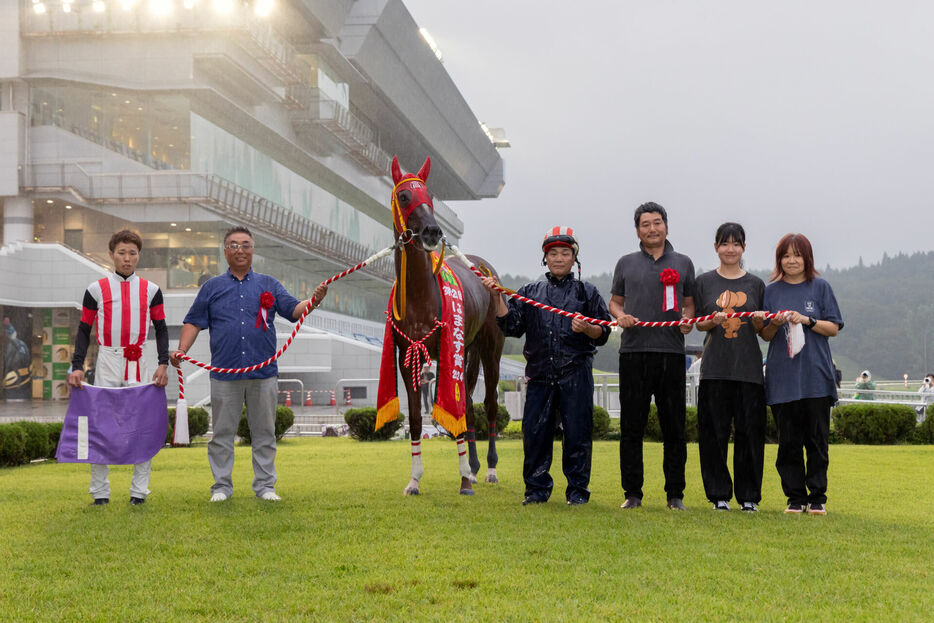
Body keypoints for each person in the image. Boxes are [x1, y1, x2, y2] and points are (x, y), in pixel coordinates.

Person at [170, 226, 328, 502]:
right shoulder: (212, 287)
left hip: (263, 374)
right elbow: (194, 322)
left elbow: (293, 310)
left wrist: (314, 301)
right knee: (221, 434)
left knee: (264, 433)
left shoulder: (269, 284)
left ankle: (265, 486)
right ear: (225, 251)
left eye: (245, 245)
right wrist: (182, 350)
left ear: (253, 250)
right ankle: (221, 487)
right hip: (224, 375)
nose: (240, 250)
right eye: (234, 245)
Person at [481, 226, 610, 506]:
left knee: (577, 434)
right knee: (535, 433)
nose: (559, 258)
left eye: (565, 253)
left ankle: (577, 491)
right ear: (545, 258)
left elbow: (604, 332)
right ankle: (536, 490)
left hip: (576, 373)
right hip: (540, 374)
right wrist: (495, 298)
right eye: (554, 253)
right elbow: (511, 325)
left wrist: (587, 328)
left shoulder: (587, 293)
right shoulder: (530, 292)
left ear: (574, 258)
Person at [66, 229, 169, 506]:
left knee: (142, 424)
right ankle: (100, 492)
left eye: (132, 253)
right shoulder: (96, 289)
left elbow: (160, 328)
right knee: (100, 424)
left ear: (139, 255)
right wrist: (76, 365)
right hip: (107, 360)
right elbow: (84, 330)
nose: (127, 258)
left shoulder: (151, 290)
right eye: (121, 253)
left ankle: (139, 491)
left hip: (140, 359)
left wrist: (163, 363)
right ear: (111, 254)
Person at [609, 202, 695, 510]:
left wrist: (687, 319)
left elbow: (688, 304)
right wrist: (621, 316)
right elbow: (615, 302)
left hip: (671, 354)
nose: (652, 229)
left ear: (667, 226)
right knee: (632, 427)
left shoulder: (684, 262)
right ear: (637, 231)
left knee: (674, 428)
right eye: (645, 224)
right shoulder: (625, 263)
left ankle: (675, 495)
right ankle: (632, 494)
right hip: (633, 353)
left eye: (657, 223)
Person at [760, 233, 843, 516]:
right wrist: (773, 321)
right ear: (779, 260)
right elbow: (766, 334)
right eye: (786, 255)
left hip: (815, 378)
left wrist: (806, 320)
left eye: (797, 255)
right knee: (788, 443)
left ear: (807, 258)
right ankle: (795, 498)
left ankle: (817, 497)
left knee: (817, 441)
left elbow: (833, 327)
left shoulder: (820, 287)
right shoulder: (771, 291)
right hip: (783, 378)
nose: (791, 260)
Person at [693, 223, 767, 512]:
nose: (730, 249)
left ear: (744, 248)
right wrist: (712, 320)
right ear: (716, 247)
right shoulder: (703, 283)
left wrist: (761, 320)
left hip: (748, 370)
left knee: (750, 434)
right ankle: (718, 495)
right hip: (714, 368)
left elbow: (763, 330)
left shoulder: (756, 285)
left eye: (736, 244)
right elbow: (698, 323)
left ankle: (749, 497)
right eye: (725, 243)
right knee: (713, 434)